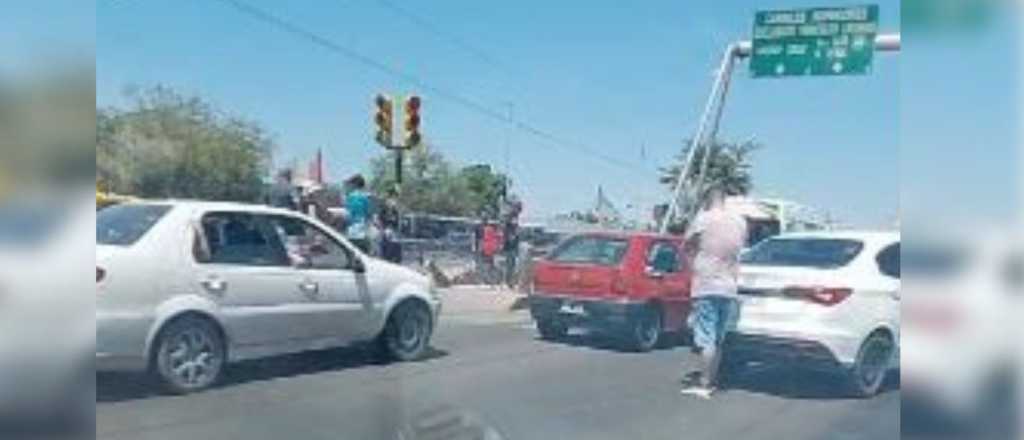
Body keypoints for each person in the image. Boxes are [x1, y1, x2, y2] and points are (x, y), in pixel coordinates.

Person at [679, 186, 748, 399]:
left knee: (706, 337)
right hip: (729, 286)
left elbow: (686, 246)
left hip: (707, 283)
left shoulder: (704, 218)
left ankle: (704, 383)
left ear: (707, 200)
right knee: (718, 337)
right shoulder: (740, 222)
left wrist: (692, 266)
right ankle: (713, 379)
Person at [344, 174, 373, 253]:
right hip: (363, 231)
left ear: (354, 184)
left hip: (351, 232)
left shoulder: (349, 197)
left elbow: (347, 216)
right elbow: (369, 215)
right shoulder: (365, 198)